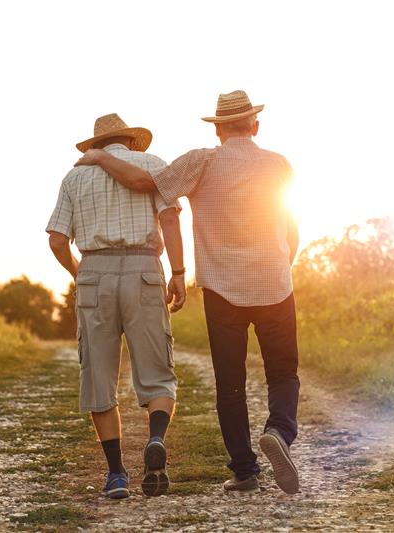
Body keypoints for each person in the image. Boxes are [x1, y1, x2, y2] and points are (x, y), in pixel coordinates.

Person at [75, 91, 301, 494]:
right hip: (275, 284)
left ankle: (245, 472)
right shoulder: (279, 164)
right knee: (283, 373)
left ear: (216, 129)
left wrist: (100, 157)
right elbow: (290, 225)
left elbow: (142, 181)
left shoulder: (202, 161)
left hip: (222, 289)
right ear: (255, 125)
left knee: (230, 383)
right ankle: (279, 432)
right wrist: (283, 265)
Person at [46, 113, 187, 499]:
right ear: (130, 141)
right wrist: (177, 272)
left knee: (99, 376)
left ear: (96, 145)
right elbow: (171, 220)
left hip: (95, 271)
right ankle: (155, 438)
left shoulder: (75, 176)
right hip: (144, 268)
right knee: (158, 373)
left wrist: (80, 272)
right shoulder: (154, 165)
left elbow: (57, 240)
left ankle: (116, 475)